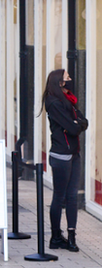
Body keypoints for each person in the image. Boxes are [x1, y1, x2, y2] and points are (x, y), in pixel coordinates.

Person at [42, 68, 89, 252]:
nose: (70, 80)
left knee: (72, 197)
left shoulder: (69, 100)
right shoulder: (53, 103)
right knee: (59, 197)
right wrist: (76, 124)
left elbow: (83, 121)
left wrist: (78, 123)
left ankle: (71, 237)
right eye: (67, 77)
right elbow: (73, 127)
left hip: (74, 153)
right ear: (58, 81)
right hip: (61, 155)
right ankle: (55, 236)